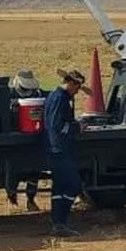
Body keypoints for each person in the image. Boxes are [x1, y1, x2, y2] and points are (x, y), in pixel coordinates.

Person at [43, 68, 88, 237]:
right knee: (73, 184)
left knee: (60, 186)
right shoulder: (60, 99)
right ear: (71, 83)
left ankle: (58, 221)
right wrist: (77, 127)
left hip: (55, 148)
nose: (77, 91)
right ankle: (61, 221)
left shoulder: (55, 96)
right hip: (59, 149)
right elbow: (57, 125)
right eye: (77, 87)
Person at [7, 69, 43, 212]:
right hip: (14, 136)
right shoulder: (8, 94)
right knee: (13, 168)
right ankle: (11, 193)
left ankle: (30, 198)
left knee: (34, 170)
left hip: (32, 135)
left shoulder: (37, 94)